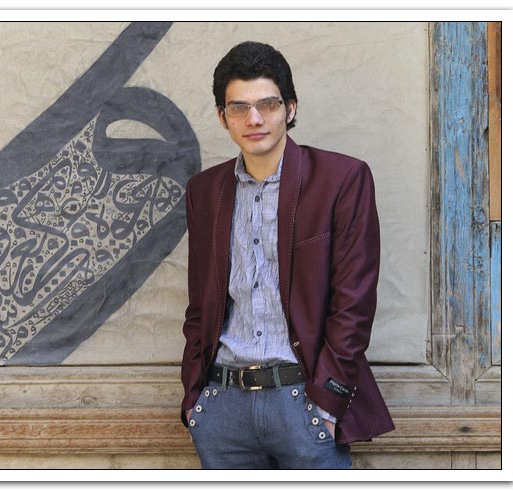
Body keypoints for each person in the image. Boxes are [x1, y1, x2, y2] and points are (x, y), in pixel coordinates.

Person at [180, 41, 395, 469]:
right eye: (239, 107)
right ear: (222, 117)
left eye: (268, 104)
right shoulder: (204, 191)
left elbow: (353, 305)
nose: (254, 119)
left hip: (304, 403)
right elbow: (199, 306)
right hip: (222, 405)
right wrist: (195, 399)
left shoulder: (341, 179)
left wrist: (328, 402)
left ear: (290, 109)